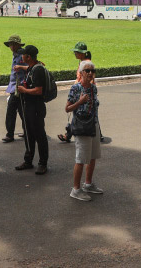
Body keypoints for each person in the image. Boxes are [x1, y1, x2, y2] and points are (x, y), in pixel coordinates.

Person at [66, 60, 103, 201]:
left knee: (93, 156)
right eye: (87, 71)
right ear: (81, 73)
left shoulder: (93, 88)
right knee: (81, 159)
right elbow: (67, 108)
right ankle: (75, 189)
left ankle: (88, 184)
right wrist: (79, 102)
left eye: (92, 71)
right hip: (82, 127)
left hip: (93, 125)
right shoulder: (75, 88)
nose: (90, 73)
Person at [15, 45, 49, 175]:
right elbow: (28, 68)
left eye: (23, 54)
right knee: (29, 134)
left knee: (40, 135)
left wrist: (24, 90)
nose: (21, 56)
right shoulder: (31, 68)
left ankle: (42, 163)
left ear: (28, 57)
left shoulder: (37, 70)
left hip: (36, 108)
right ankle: (28, 160)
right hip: (29, 108)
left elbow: (38, 90)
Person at [59, 42, 92, 143]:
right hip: (81, 91)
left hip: (83, 92)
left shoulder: (86, 64)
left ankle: (69, 134)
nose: (75, 54)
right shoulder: (83, 62)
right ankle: (69, 134)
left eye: (77, 52)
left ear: (82, 53)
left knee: (79, 113)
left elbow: (88, 79)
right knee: (85, 114)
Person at [2, 35, 26, 143]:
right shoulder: (16, 54)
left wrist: (20, 67)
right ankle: (27, 131)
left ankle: (10, 134)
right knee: (22, 111)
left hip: (19, 87)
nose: (10, 46)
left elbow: (30, 67)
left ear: (16, 45)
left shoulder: (22, 56)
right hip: (16, 87)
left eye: (12, 44)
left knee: (11, 110)